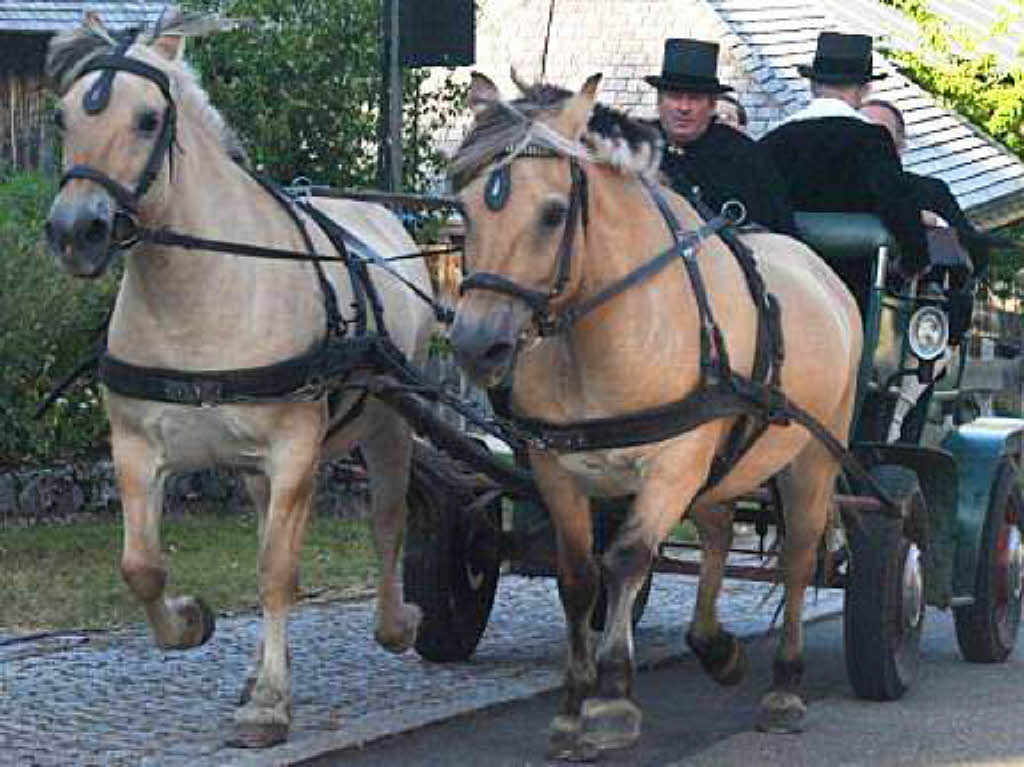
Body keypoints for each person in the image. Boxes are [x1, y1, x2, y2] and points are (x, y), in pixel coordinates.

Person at [759, 32, 929, 313]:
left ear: (813, 85)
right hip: (853, 288)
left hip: (785, 281)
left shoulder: (775, 140)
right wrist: (914, 259)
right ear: (864, 90)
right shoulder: (872, 141)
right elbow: (897, 204)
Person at [646, 38, 796, 235]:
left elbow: (777, 233)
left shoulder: (746, 157)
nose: (683, 107)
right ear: (659, 102)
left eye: (695, 98)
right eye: (674, 96)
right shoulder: (634, 149)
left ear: (712, 106)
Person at [860, 97, 990, 279]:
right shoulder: (830, 190)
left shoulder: (930, 191)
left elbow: (977, 254)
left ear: (901, 145)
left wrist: (937, 226)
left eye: (882, 136)